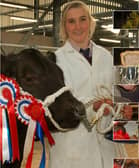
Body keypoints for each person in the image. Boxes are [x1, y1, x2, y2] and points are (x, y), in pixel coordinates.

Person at [49, 1, 129, 168]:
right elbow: (59, 105)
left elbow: (114, 92)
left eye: (82, 19)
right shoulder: (57, 60)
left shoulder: (105, 56)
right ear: (65, 26)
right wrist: (94, 105)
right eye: (71, 21)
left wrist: (121, 107)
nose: (78, 26)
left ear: (90, 22)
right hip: (72, 145)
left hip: (104, 142)